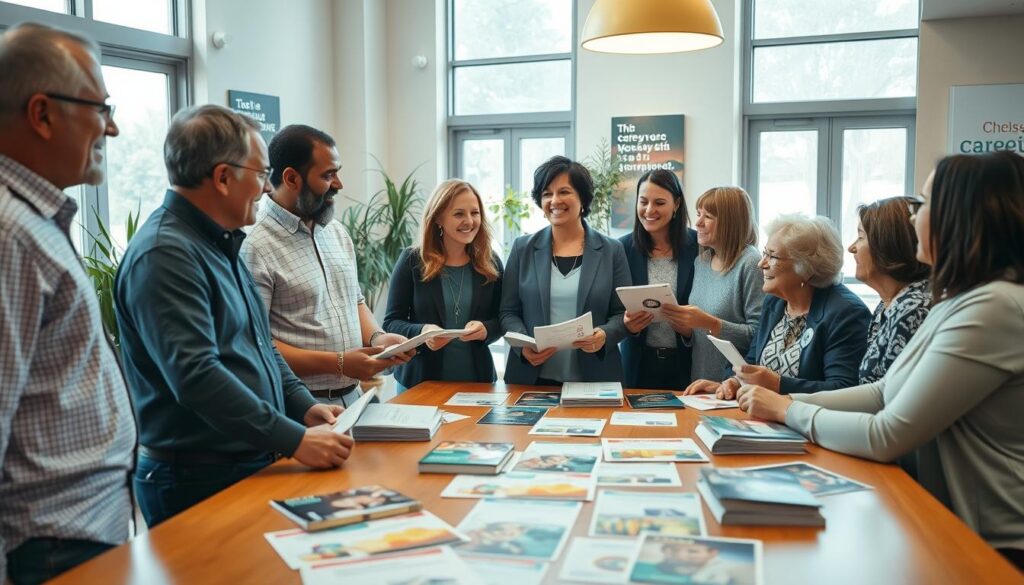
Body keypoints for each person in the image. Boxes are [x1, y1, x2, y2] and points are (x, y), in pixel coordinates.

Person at [738, 151, 1024, 568]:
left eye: (923, 206)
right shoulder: (958, 300)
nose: (912, 220)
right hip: (952, 523)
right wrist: (785, 406)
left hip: (993, 546)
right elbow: (881, 392)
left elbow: (887, 434)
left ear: (960, 216)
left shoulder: (991, 308)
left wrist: (787, 408)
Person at [115, 106, 352, 528]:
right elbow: (197, 376)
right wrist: (293, 438)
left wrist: (302, 405)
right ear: (223, 177)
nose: (265, 189)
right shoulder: (165, 253)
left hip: (244, 459)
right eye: (261, 175)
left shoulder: (221, 242)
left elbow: (259, 343)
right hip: (194, 474)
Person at [0, 23, 135, 584]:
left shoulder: (38, 221)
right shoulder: (9, 233)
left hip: (86, 529)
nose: (114, 127)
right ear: (42, 113)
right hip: (50, 542)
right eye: (100, 107)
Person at [240, 124, 412, 406]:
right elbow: (256, 343)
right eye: (328, 175)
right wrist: (339, 363)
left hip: (355, 399)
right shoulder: (256, 245)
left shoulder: (336, 233)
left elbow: (354, 300)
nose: (339, 184)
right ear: (292, 178)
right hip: (300, 408)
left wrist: (378, 338)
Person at [689, 214, 871, 398]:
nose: (761, 263)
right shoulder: (774, 302)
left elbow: (843, 390)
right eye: (764, 253)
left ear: (806, 267)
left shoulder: (846, 313)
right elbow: (752, 360)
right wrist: (734, 382)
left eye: (773, 256)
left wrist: (778, 384)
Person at [499, 155, 632, 385]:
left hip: (595, 379)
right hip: (531, 379)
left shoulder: (612, 250)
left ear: (583, 198)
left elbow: (623, 314)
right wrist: (523, 346)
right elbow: (507, 312)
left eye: (564, 192)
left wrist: (604, 335)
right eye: (547, 193)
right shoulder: (523, 249)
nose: (554, 200)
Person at [383, 179, 503, 391]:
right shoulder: (412, 260)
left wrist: (486, 329)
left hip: (478, 384)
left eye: (475, 213)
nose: (469, 221)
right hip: (419, 384)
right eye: (459, 214)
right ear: (438, 217)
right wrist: (424, 332)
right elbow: (391, 323)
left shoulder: (490, 262)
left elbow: (502, 319)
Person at [618, 169, 700, 389]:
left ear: (677, 204)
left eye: (660, 203)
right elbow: (609, 311)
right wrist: (626, 325)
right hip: (637, 364)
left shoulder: (700, 247)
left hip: (687, 364)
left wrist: (689, 330)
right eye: (643, 202)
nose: (649, 210)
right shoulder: (622, 249)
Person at [681, 187, 765, 393]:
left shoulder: (751, 263)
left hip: (736, 386)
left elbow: (759, 336)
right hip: (700, 382)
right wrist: (685, 328)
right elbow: (701, 332)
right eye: (698, 213)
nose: (698, 223)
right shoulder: (701, 262)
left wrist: (710, 323)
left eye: (707, 216)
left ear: (730, 222)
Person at [848, 196, 931, 384]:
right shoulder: (885, 304)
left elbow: (883, 397)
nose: (851, 248)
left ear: (887, 245)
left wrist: (791, 405)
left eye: (860, 237)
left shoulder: (914, 308)